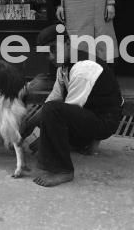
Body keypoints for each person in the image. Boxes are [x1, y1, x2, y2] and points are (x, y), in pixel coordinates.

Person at [25, 24, 123, 187]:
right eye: (47, 53)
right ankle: (86, 142)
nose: (50, 56)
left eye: (53, 49)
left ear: (68, 43)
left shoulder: (83, 68)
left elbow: (63, 113)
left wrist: (46, 142)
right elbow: (53, 99)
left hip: (105, 121)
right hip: (91, 113)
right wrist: (27, 126)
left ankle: (63, 170)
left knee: (52, 118)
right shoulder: (63, 68)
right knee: (49, 116)